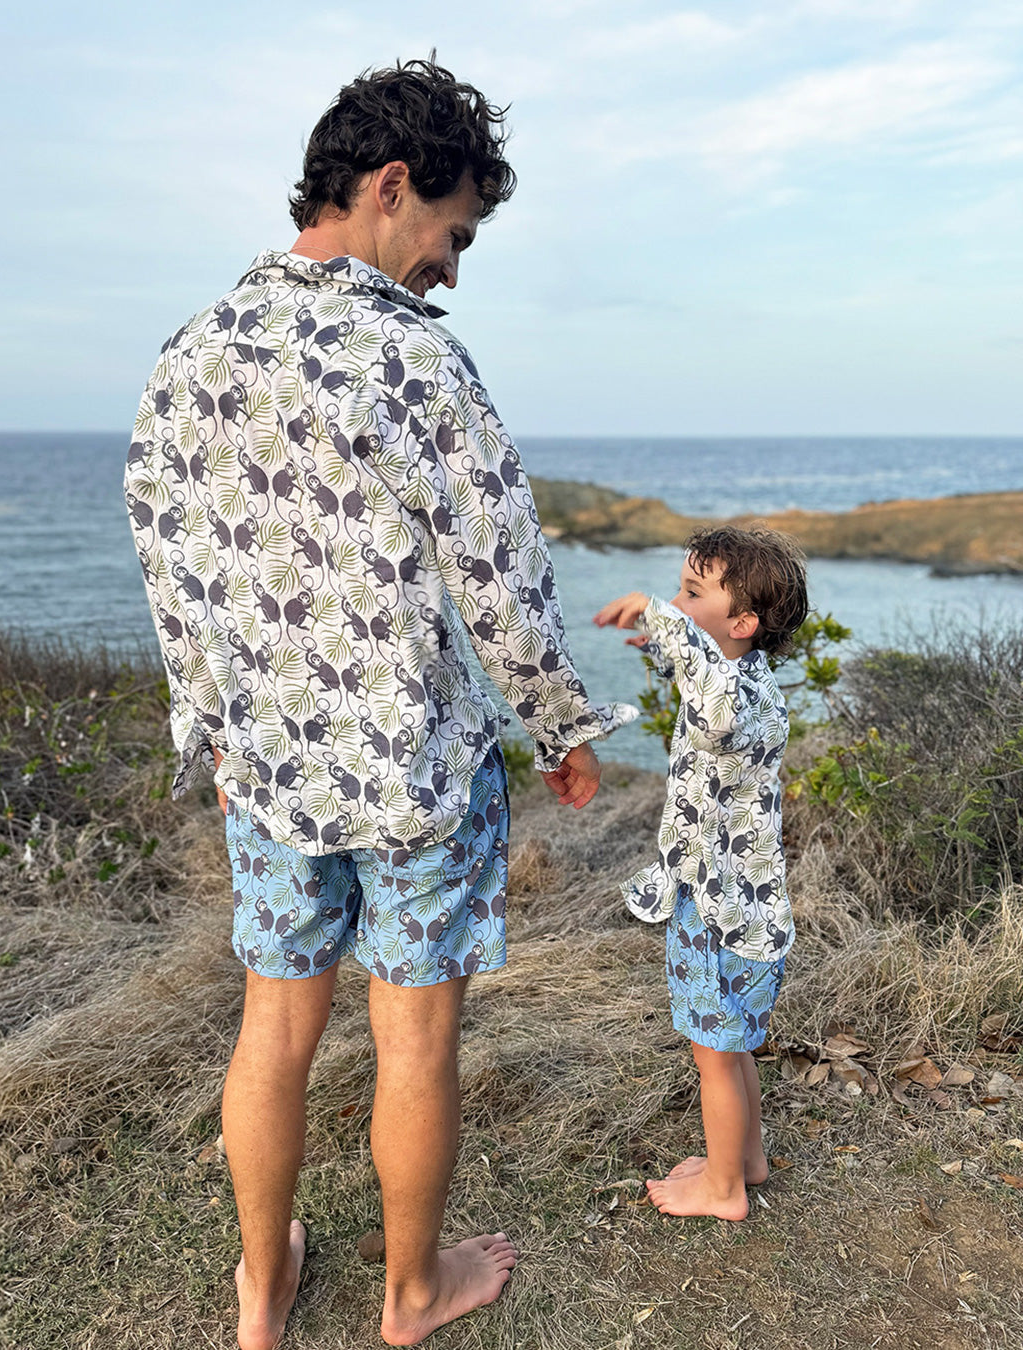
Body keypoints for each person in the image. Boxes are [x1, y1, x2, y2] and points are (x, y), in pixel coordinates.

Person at [124, 58, 636, 1350]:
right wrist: (563, 723)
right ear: (392, 185)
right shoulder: (412, 358)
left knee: (275, 1026)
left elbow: (169, 570)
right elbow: (504, 572)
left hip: (275, 778)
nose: (453, 270)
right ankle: (412, 1294)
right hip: (415, 771)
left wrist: (216, 732)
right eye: (453, 235)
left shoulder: (188, 356)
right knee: (411, 1042)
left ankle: (260, 1284)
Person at [593, 526, 808, 1222]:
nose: (679, 602)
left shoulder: (732, 699)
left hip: (718, 909)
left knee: (713, 1051)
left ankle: (722, 1191)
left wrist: (657, 615)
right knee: (735, 1039)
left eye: (693, 592)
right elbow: (708, 686)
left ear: (742, 622)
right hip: (748, 908)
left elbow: (713, 716)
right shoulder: (748, 681)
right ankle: (744, 1161)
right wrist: (671, 646)